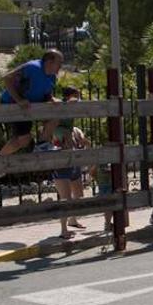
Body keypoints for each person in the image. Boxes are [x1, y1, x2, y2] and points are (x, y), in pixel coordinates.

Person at [0, 49, 64, 155]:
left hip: (30, 106)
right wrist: (19, 100)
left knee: (56, 114)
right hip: (13, 104)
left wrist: (52, 98)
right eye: (59, 63)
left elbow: (46, 93)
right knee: (24, 139)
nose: (61, 66)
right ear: (49, 62)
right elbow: (7, 78)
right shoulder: (32, 67)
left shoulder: (52, 76)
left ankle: (42, 144)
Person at [51, 87, 88, 238]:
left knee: (78, 194)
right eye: (77, 97)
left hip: (73, 161)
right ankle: (63, 230)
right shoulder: (58, 125)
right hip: (61, 163)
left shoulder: (72, 128)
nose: (78, 100)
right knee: (65, 198)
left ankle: (73, 220)